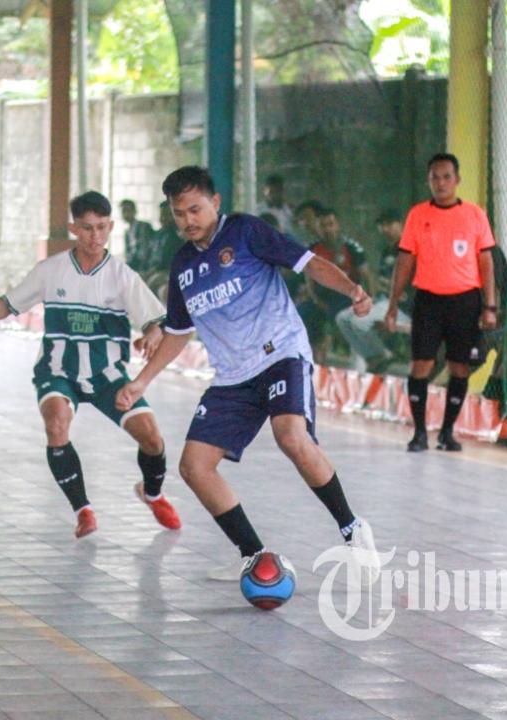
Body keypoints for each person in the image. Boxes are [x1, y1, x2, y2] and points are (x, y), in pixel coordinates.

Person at [114, 165, 379, 581]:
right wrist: (141, 380)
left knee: (290, 435)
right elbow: (179, 333)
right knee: (194, 467)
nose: (188, 220)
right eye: (178, 213)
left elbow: (309, 263)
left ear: (215, 203)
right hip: (232, 376)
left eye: (195, 209)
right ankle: (255, 556)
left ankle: (352, 529)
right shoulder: (183, 264)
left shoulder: (246, 232)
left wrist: (352, 290)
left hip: (280, 354)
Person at [0, 191, 181, 539]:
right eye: (86, 228)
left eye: (101, 228)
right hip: (58, 371)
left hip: (108, 375)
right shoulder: (51, 271)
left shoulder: (122, 276)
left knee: (152, 439)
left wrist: (153, 334)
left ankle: (152, 493)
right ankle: (83, 510)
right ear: (72, 229)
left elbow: (156, 321)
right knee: (56, 423)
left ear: (110, 227)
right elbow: (6, 305)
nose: (95, 237)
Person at [384, 153, 498, 452]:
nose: (441, 183)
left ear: (457, 180)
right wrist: (393, 303)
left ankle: (448, 432)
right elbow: (405, 260)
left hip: (465, 302)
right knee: (421, 364)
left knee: (460, 367)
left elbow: (486, 262)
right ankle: (419, 432)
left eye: (447, 176)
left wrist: (490, 306)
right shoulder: (417, 215)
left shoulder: (475, 215)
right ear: (428, 181)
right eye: (435, 177)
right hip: (428, 301)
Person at [336, 209, 411, 372]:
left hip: (401, 306)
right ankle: (373, 356)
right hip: (383, 301)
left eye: (390, 224)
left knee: (360, 321)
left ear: (401, 224)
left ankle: (382, 355)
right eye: (382, 225)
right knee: (342, 318)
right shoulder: (387, 250)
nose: (385, 229)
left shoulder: (410, 249)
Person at [297, 206, 366, 362]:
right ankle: (309, 357)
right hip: (321, 298)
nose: (327, 229)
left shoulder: (351, 247)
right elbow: (309, 281)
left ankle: (345, 352)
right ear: (317, 228)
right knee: (301, 312)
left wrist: (367, 299)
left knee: (344, 317)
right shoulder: (311, 249)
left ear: (337, 225)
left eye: (331, 224)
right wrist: (316, 300)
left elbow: (366, 276)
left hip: (346, 298)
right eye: (323, 226)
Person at [120, 199, 156, 276]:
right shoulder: (127, 233)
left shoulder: (144, 226)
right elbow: (128, 253)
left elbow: (151, 247)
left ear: (135, 211)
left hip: (146, 265)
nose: (126, 214)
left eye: (128, 210)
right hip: (133, 264)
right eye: (123, 211)